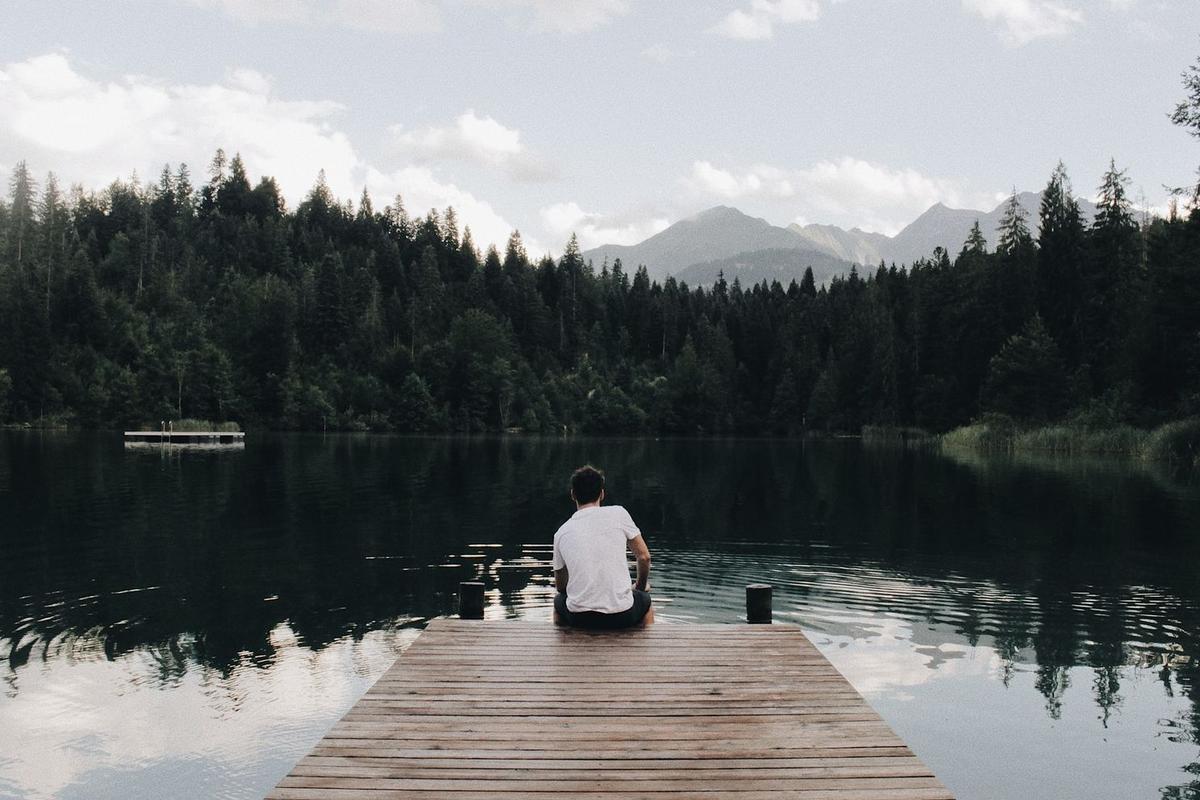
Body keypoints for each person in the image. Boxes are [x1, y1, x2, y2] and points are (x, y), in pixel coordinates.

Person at [552, 465, 653, 629]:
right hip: (622, 614)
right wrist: (640, 587)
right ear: (602, 493)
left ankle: (566, 649)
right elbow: (644, 557)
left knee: (558, 603)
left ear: (573, 495)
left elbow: (561, 587)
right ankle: (644, 649)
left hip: (580, 618)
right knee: (646, 604)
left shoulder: (561, 533)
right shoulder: (619, 514)